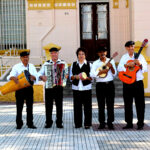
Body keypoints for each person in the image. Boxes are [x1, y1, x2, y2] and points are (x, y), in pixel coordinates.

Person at [118, 41, 148, 130]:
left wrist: (140, 64)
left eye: (133, 46)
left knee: (140, 104)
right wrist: (127, 64)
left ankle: (140, 123)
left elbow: (145, 68)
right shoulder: (124, 57)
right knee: (127, 103)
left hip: (138, 82)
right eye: (130, 47)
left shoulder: (140, 56)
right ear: (126, 48)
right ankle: (129, 123)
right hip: (127, 82)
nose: (132, 48)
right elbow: (119, 68)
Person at [38, 46, 68, 129]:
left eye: (55, 53)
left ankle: (59, 122)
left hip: (59, 87)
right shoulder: (46, 63)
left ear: (58, 53)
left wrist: (64, 80)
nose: (54, 54)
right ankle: (48, 122)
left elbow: (66, 74)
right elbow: (39, 73)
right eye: (52, 53)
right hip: (49, 87)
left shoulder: (63, 63)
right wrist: (41, 77)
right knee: (48, 105)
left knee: (59, 105)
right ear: (50, 54)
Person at [7, 51, 38, 129]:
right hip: (19, 89)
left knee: (30, 107)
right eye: (24, 57)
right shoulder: (16, 66)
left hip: (29, 89)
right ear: (20, 58)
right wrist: (14, 78)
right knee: (19, 107)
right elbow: (9, 76)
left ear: (28, 58)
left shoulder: (31, 66)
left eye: (27, 57)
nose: (25, 59)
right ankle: (19, 124)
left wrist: (33, 77)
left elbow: (36, 77)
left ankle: (30, 123)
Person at [90, 47, 117, 130]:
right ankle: (102, 122)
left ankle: (110, 122)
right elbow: (92, 74)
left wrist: (111, 67)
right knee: (101, 104)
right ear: (98, 53)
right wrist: (100, 72)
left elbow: (114, 74)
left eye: (104, 52)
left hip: (109, 85)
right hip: (100, 85)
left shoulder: (111, 61)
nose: (102, 53)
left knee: (110, 104)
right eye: (100, 52)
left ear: (106, 52)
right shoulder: (95, 63)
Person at [70, 47, 92, 129]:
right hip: (76, 88)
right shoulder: (74, 64)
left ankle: (87, 123)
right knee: (77, 107)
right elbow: (70, 77)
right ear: (77, 55)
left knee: (87, 107)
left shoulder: (90, 65)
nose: (81, 55)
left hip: (86, 88)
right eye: (79, 54)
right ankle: (78, 123)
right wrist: (75, 76)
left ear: (85, 55)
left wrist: (86, 78)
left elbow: (92, 77)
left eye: (83, 54)